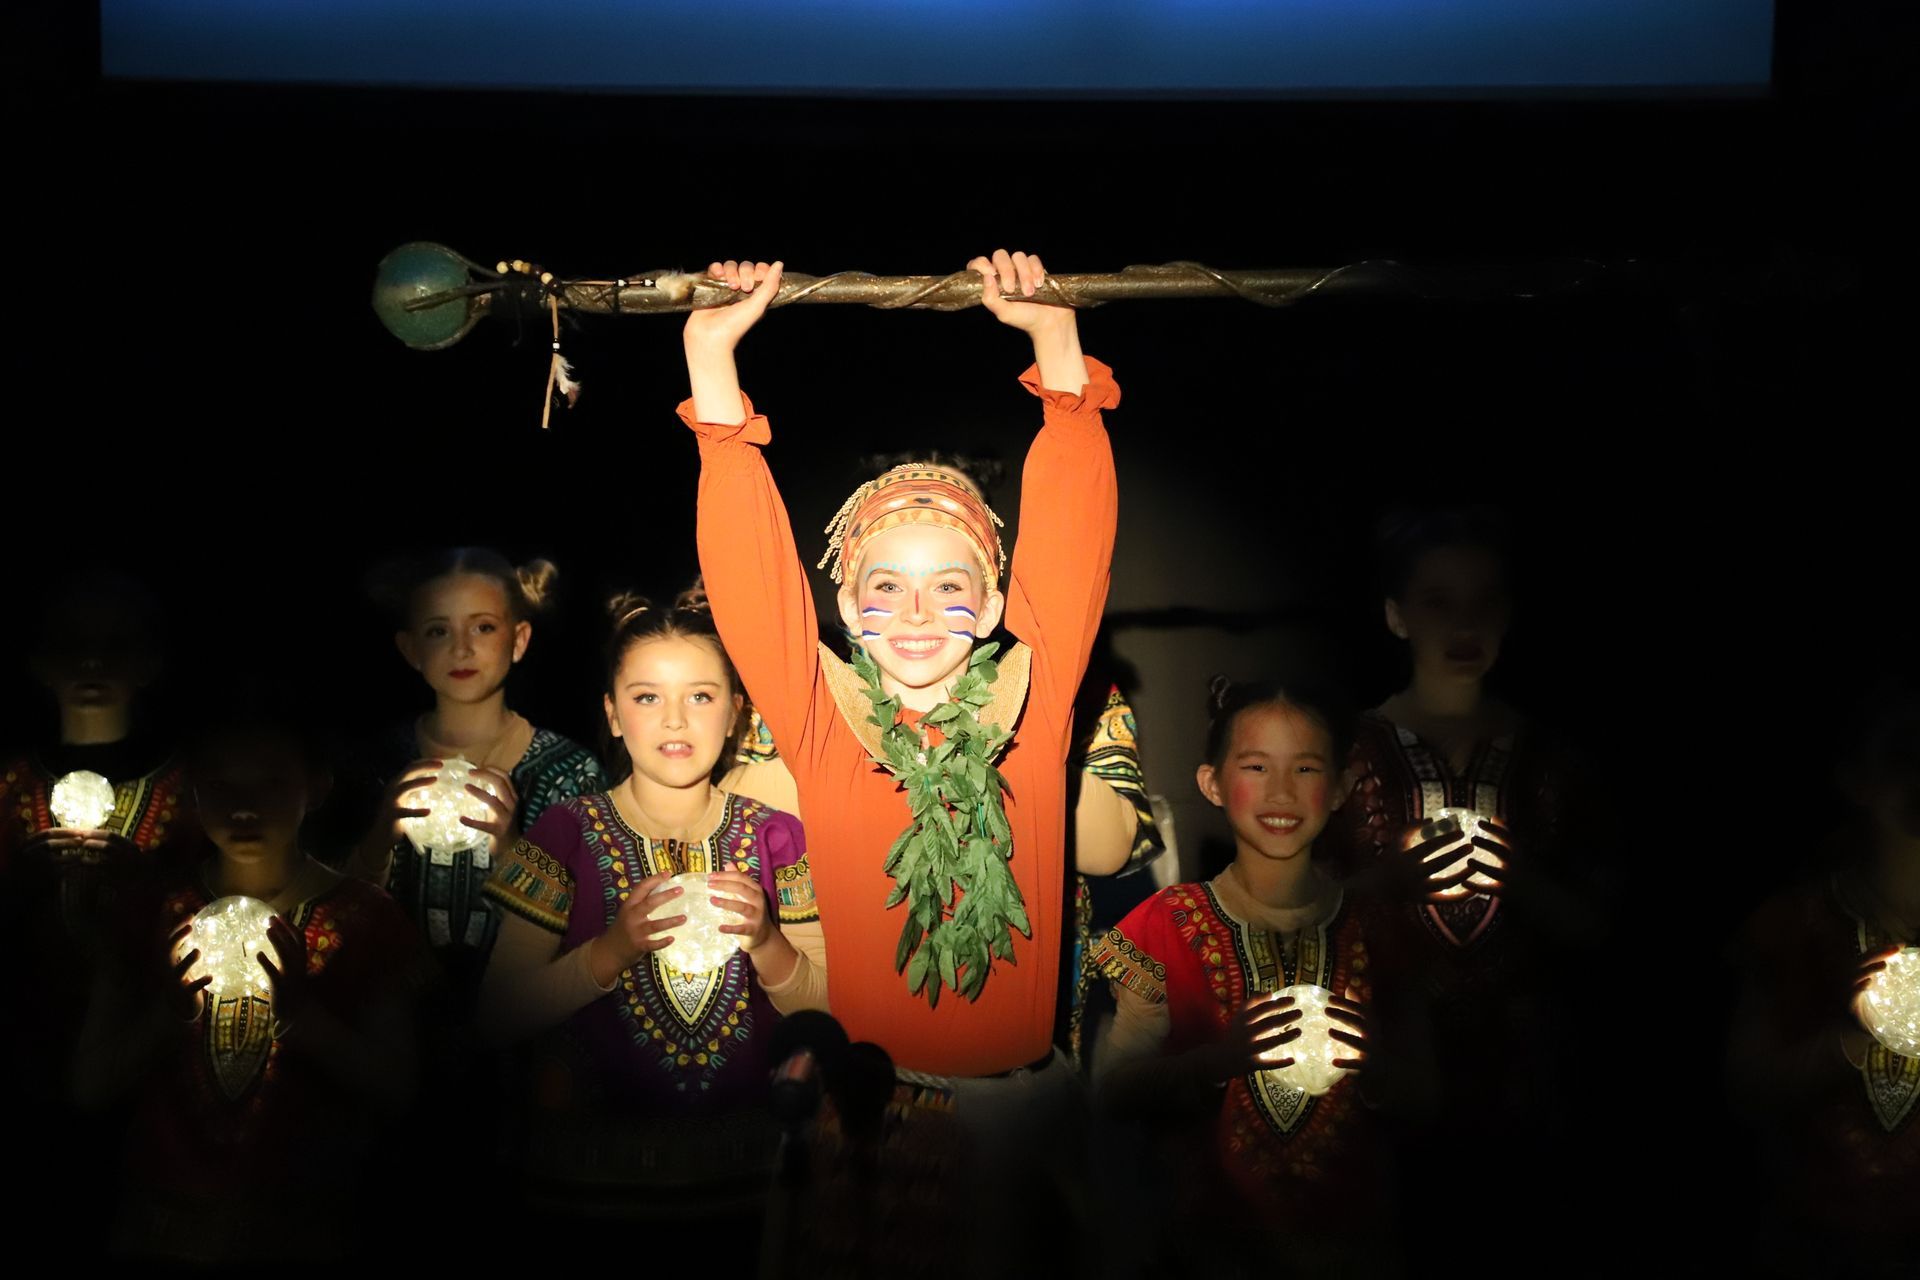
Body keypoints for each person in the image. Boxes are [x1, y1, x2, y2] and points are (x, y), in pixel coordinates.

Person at [679, 248, 1119, 1259]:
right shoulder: (828, 730)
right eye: (886, 587)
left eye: (948, 586)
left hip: (1021, 1127)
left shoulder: (1031, 712)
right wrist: (711, 357)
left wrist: (1057, 344)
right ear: (846, 609)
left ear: (996, 607)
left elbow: (1074, 544)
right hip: (874, 1121)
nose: (917, 613)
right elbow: (754, 583)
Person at [477, 591, 824, 1213]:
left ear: (735, 714)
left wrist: (769, 944)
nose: (674, 720)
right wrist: (611, 951)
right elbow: (498, 1014)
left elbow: (831, 1009)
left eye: (700, 696)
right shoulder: (565, 833)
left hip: (749, 1184)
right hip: (584, 1185)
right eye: (646, 697)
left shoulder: (779, 837)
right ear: (612, 715)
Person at [73, 698, 424, 1262]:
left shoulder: (364, 918)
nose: (244, 807)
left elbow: (398, 1088)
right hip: (164, 1229)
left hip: (308, 1227)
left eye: (271, 783)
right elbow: (89, 1086)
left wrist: (306, 1022)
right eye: (221, 785)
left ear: (317, 786)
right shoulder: (150, 913)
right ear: (192, 791)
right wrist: (165, 1017)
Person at [1094, 675, 1393, 1275]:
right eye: (1256, 767)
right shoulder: (1166, 923)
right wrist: (1217, 1062)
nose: (1280, 791)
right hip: (1208, 1245)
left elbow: (1429, 1094)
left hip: (1356, 1245)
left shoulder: (1383, 930)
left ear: (1339, 789)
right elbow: (1112, 1090)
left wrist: (1379, 1062)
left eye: (1306, 770)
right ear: (1212, 783)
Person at [348, 547, 604, 991]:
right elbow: (331, 915)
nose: (461, 648)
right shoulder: (379, 761)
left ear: (519, 639)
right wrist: (377, 839)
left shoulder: (569, 772)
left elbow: (592, 923)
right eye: (438, 630)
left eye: (483, 627)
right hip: (393, 1026)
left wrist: (512, 850)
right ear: (410, 648)